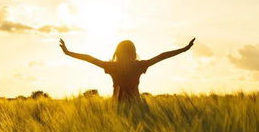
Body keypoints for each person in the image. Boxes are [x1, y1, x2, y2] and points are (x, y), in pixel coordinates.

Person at [59, 37, 195, 103]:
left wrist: (68, 52)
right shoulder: (139, 65)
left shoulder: (111, 66)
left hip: (116, 107)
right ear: (133, 52)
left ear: (117, 52)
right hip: (137, 106)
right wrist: (185, 48)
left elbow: (89, 58)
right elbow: (162, 56)